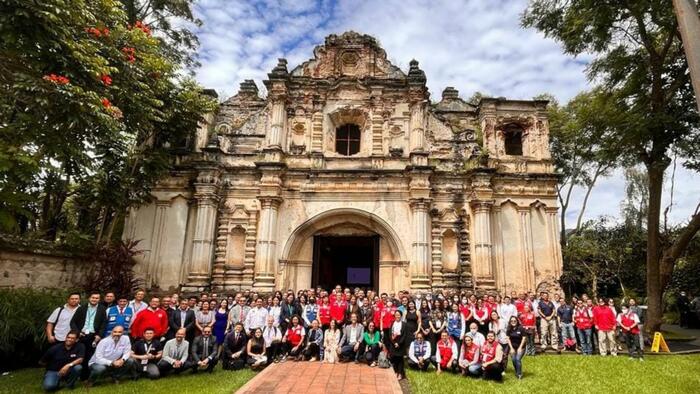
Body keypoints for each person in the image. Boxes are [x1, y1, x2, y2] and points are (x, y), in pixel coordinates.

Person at [69, 291, 107, 380]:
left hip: (94, 336)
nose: (94, 299)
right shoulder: (81, 308)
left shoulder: (102, 309)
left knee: (91, 356)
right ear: (89, 298)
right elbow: (72, 322)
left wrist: (99, 335)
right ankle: (79, 375)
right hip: (81, 336)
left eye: (97, 298)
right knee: (81, 355)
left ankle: (88, 376)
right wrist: (78, 333)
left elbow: (103, 324)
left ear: (99, 299)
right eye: (93, 297)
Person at [387, 310, 407, 380]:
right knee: (394, 358)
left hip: (400, 344)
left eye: (399, 315)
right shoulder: (392, 323)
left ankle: (400, 373)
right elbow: (390, 334)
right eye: (396, 315)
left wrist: (399, 343)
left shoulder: (404, 324)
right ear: (394, 316)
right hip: (393, 343)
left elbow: (404, 335)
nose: (397, 316)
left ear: (401, 316)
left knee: (400, 359)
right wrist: (394, 343)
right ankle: (395, 372)